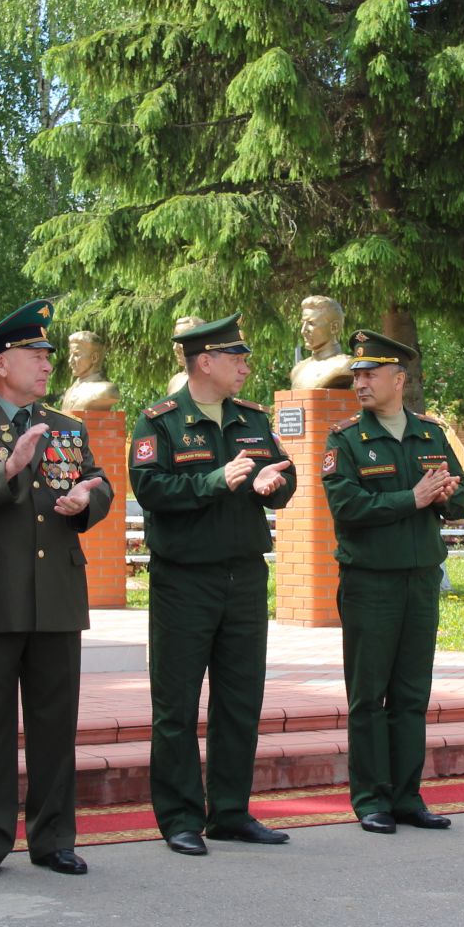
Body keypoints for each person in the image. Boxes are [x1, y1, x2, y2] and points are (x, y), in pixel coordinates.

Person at [0, 299, 113, 881]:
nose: (45, 364)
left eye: (47, 355)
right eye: (35, 354)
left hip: (56, 591)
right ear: (0, 363)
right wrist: (7, 470)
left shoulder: (68, 426)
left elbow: (99, 481)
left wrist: (88, 499)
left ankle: (54, 837)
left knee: (56, 723)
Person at [131, 313, 297, 855]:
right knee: (176, 704)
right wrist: (212, 479)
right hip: (185, 579)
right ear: (205, 361)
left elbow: (285, 472)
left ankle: (230, 811)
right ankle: (181, 818)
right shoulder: (159, 423)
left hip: (245, 574)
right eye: (236, 357)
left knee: (240, 698)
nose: (245, 367)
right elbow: (151, 488)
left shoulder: (250, 418)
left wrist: (273, 483)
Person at [322, 330, 464, 833]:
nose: (360, 383)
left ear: (399, 379)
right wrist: (411, 498)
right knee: (369, 695)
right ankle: (370, 799)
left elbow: (461, 496)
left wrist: (447, 495)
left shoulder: (430, 433)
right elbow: (346, 506)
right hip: (370, 583)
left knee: (412, 692)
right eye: (357, 375)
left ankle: (407, 796)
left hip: (420, 580)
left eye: (370, 374)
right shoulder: (345, 439)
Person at [288, 294, 354, 390]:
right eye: (303, 323)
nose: (303, 331)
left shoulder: (346, 366)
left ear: (334, 327)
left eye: (311, 323)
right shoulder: (298, 370)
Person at [57, 329, 121, 413]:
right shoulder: (69, 391)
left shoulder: (106, 390)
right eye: (70, 355)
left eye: (76, 355)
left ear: (94, 358)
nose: (70, 360)